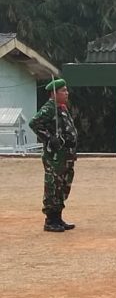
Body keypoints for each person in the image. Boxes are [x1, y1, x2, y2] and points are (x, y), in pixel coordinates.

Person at [29, 78, 78, 232]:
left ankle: (58, 217)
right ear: (54, 93)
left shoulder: (61, 108)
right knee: (53, 186)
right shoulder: (49, 108)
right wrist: (49, 138)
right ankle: (50, 220)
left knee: (63, 186)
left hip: (66, 155)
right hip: (55, 156)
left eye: (66, 90)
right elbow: (34, 123)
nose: (67, 93)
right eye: (63, 91)